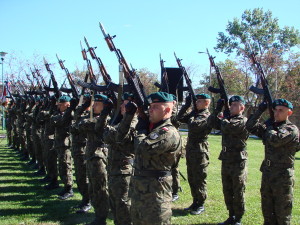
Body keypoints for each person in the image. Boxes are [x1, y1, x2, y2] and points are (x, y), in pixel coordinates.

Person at [124, 91, 182, 225]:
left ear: (167, 110)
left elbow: (142, 149)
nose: (150, 109)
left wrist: (141, 130)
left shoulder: (168, 132)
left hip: (156, 195)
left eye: (155, 107)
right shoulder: (153, 129)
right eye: (150, 106)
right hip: (140, 191)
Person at [246, 99, 299, 225]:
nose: (277, 113)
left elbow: (275, 139)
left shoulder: (291, 129)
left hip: (282, 176)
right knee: (267, 210)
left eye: (281, 110)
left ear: (289, 113)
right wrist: (259, 111)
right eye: (275, 110)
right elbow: (249, 126)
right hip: (268, 173)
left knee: (282, 213)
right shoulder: (272, 127)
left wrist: (268, 126)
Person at [208, 96, 249, 225]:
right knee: (227, 190)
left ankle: (238, 218)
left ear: (242, 108)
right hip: (226, 159)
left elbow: (229, 127)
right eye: (230, 105)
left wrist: (224, 116)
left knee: (238, 190)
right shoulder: (227, 119)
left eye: (235, 105)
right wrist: (217, 109)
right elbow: (210, 122)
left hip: (238, 160)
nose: (231, 107)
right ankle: (231, 215)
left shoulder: (243, 120)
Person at [102, 92, 137, 225]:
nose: (122, 105)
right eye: (121, 102)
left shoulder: (134, 120)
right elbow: (105, 136)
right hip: (113, 169)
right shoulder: (119, 120)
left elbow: (119, 137)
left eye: (125, 102)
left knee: (124, 206)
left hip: (125, 171)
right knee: (115, 205)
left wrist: (112, 132)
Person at [177, 93, 212, 215]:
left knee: (199, 178)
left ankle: (201, 203)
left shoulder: (206, 115)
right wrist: (186, 105)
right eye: (196, 101)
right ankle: (195, 201)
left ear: (206, 103)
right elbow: (179, 118)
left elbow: (194, 125)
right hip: (191, 150)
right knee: (191, 177)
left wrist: (191, 113)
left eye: (199, 101)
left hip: (200, 150)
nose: (196, 103)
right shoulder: (195, 114)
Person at [79, 94, 109, 225]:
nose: (93, 106)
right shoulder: (93, 117)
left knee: (100, 188)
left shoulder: (106, 118)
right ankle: (98, 214)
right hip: (91, 155)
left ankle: (101, 217)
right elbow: (78, 125)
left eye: (97, 104)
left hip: (99, 156)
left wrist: (84, 121)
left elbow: (86, 125)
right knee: (93, 187)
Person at [51, 95, 74, 200]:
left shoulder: (70, 114)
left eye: (62, 103)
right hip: (59, 143)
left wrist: (69, 110)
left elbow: (62, 122)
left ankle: (69, 188)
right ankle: (65, 186)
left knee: (66, 166)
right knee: (61, 166)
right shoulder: (59, 113)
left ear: (68, 104)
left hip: (65, 144)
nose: (59, 105)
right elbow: (53, 120)